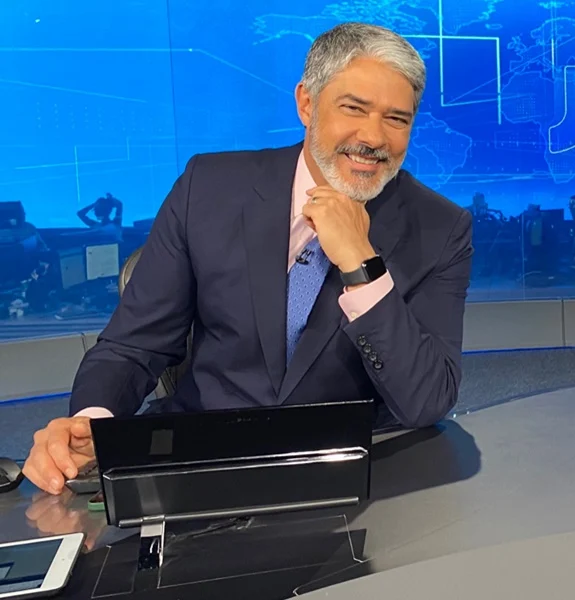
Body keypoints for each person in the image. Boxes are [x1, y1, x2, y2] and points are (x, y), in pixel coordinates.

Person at [23, 23, 474, 494]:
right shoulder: (210, 188)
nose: (373, 136)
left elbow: (427, 401)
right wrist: (93, 425)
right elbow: (133, 346)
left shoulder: (440, 229)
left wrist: (362, 265)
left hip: (349, 472)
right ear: (306, 103)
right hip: (199, 458)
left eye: (396, 119)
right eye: (353, 108)